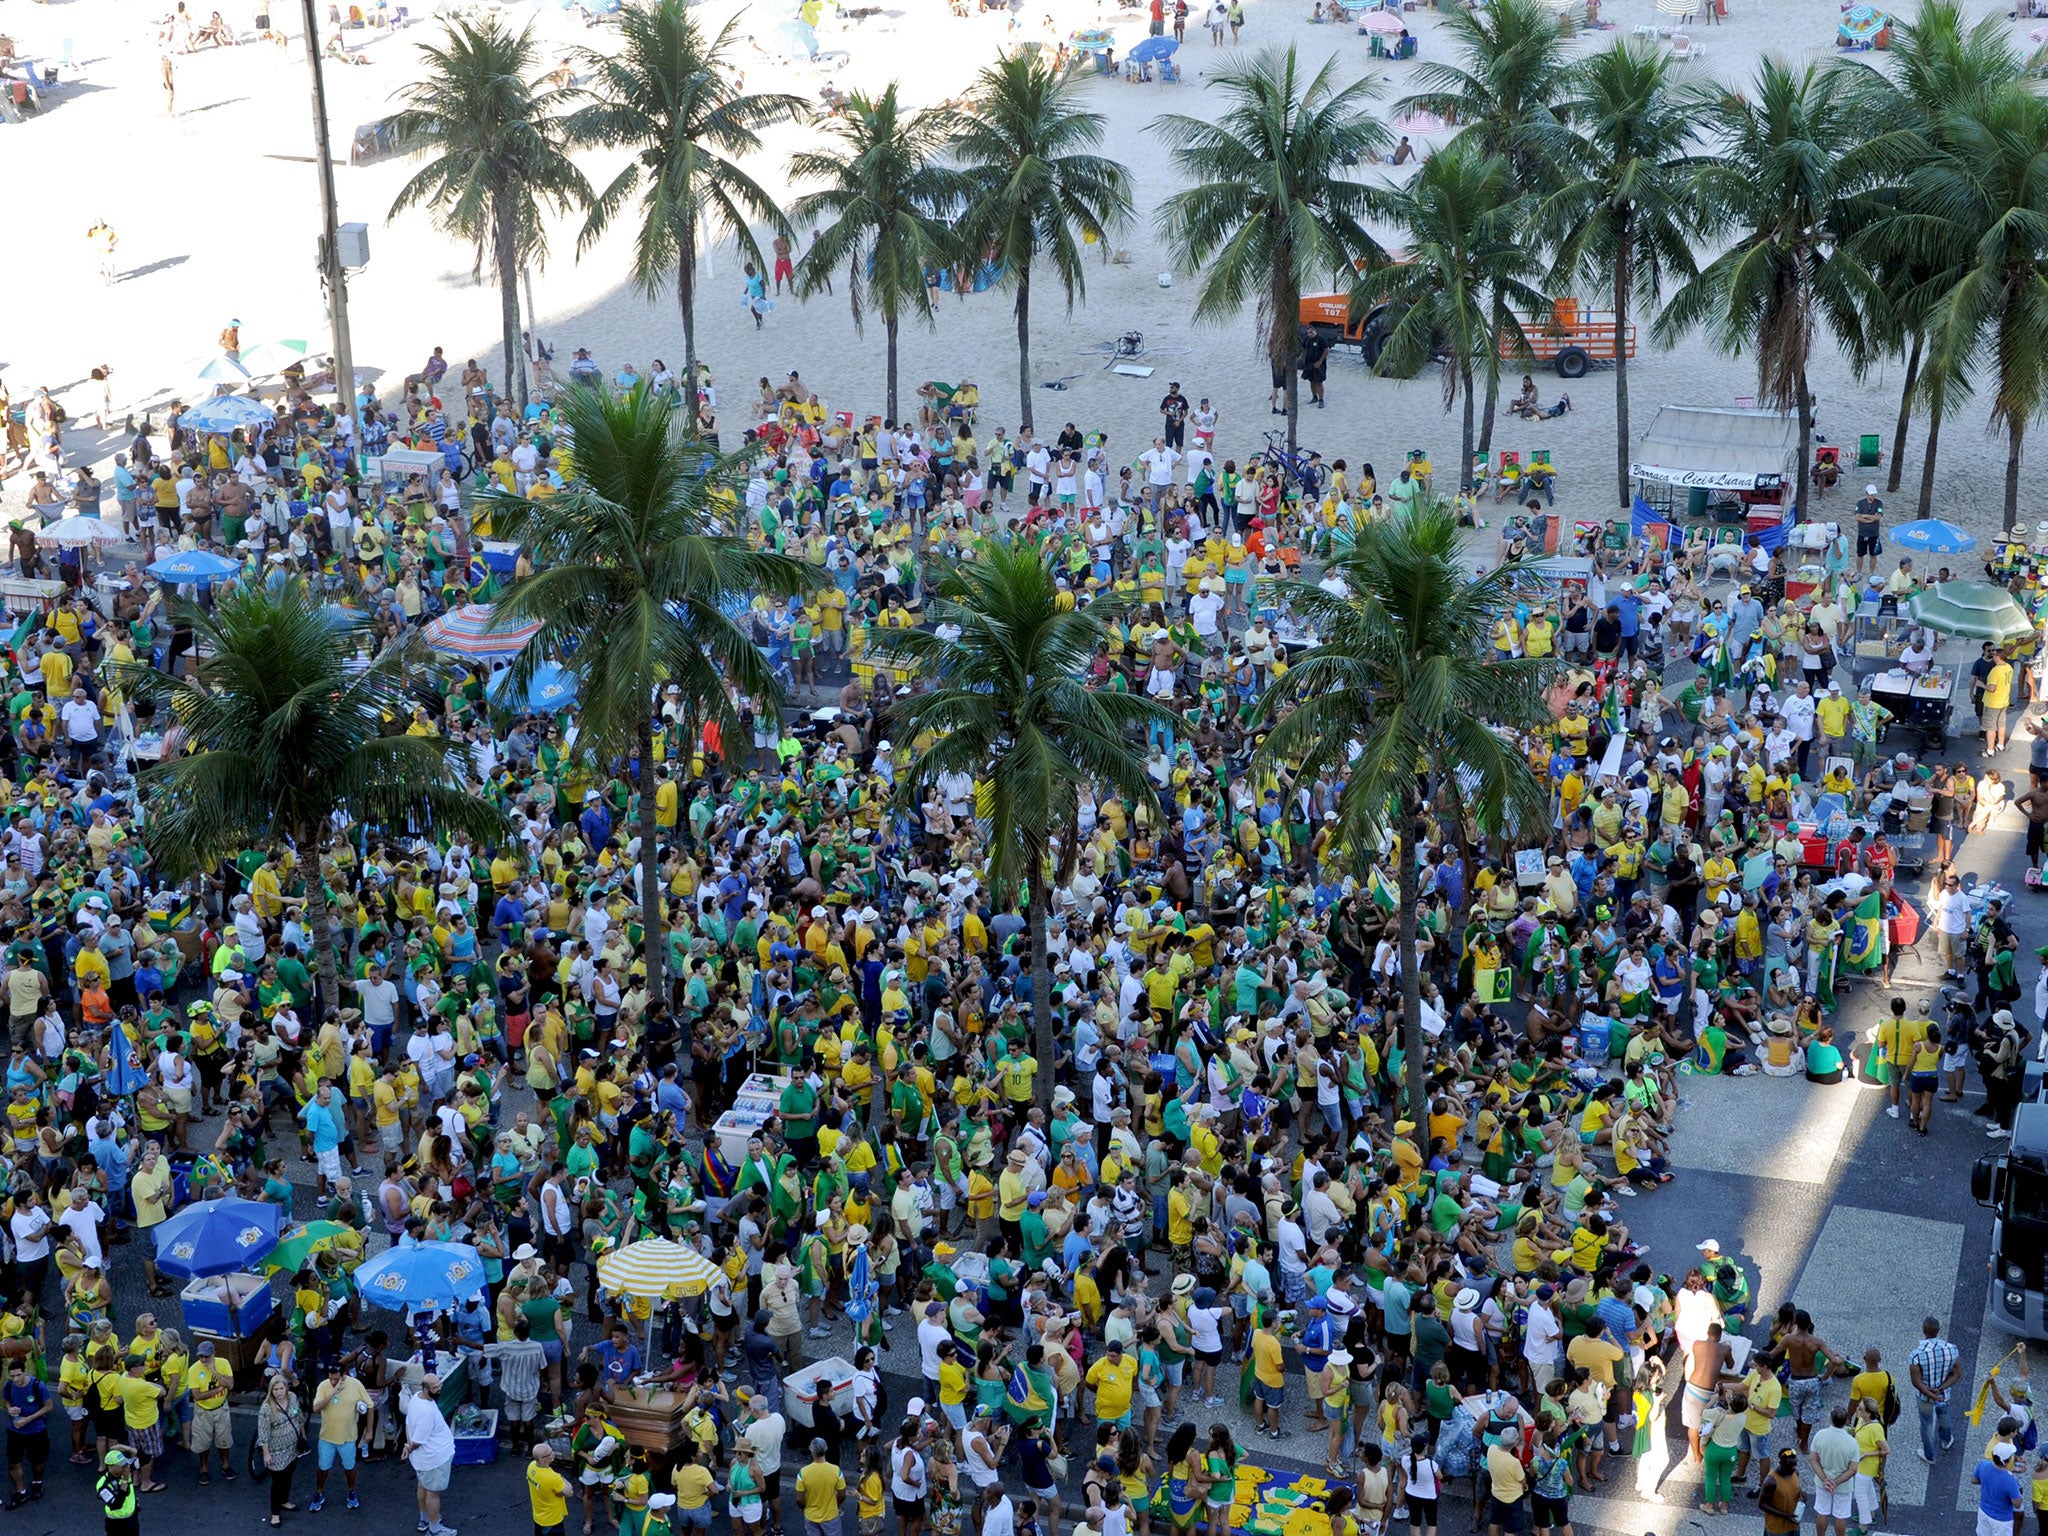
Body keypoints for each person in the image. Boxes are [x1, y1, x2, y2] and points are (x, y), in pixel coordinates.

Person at [310, 1358, 369, 1510]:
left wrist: (369, 1431)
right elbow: (316, 1408)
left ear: (344, 1375)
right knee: (323, 1468)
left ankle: (351, 1491)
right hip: (326, 1437)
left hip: (348, 1437)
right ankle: (319, 1492)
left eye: (336, 1379)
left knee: (349, 1467)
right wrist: (333, 1393)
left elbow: (370, 1406)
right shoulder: (324, 1386)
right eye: (331, 1378)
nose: (333, 1381)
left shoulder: (356, 1385)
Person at [404, 1373, 459, 1536]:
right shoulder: (426, 1412)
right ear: (425, 1388)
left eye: (439, 1385)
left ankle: (424, 1519)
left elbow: (408, 1422)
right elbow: (418, 1441)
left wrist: (408, 1445)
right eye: (435, 1388)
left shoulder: (416, 1398)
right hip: (434, 1459)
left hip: (423, 1460)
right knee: (433, 1494)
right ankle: (434, 1529)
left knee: (423, 1486)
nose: (439, 1389)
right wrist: (410, 1447)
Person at [1909, 1316, 1961, 1465]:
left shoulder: (1916, 1355)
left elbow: (1916, 1382)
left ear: (1924, 1330)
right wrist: (1941, 1389)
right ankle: (1946, 1440)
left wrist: (1931, 1394)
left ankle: (1930, 1456)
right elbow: (1957, 1373)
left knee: (1926, 1424)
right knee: (1944, 1415)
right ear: (1938, 1330)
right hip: (1943, 1394)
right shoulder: (1952, 1349)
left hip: (1924, 1396)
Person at [255, 1374, 305, 1529]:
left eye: (281, 1388)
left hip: (292, 1448)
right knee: (277, 1482)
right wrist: (266, 1453)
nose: (278, 1392)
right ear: (271, 1390)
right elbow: (263, 1434)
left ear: (286, 1388)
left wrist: (303, 1436)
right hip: (276, 1451)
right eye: (275, 1389)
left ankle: (285, 1501)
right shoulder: (267, 1408)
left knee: (288, 1475)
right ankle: (275, 1513)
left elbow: (299, 1417)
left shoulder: (292, 1397)